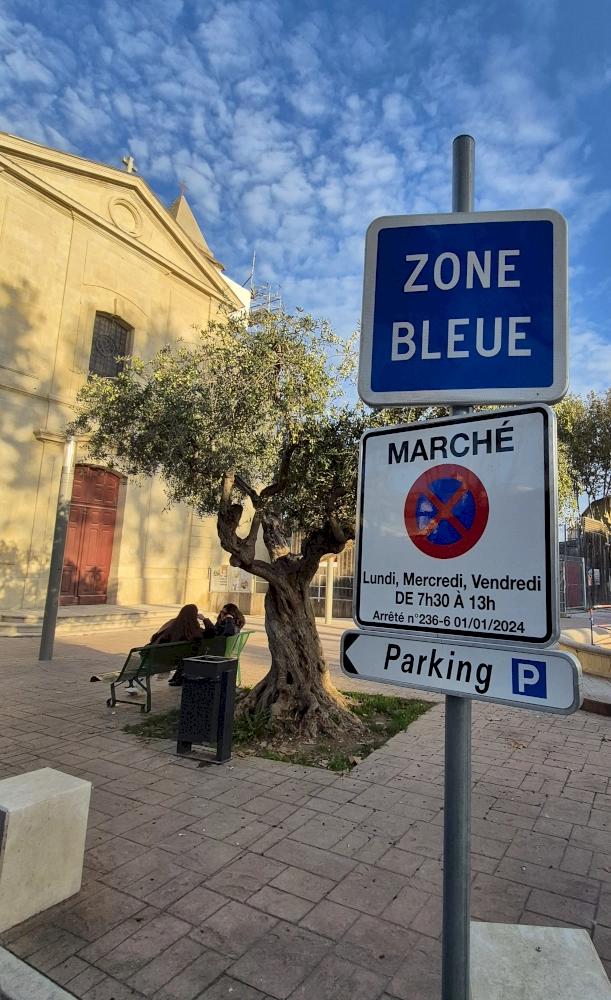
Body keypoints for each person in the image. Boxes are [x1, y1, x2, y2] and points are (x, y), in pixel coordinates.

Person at [125, 604, 205, 694]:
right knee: (151, 661)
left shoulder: (172, 624)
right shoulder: (196, 632)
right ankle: (137, 685)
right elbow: (212, 632)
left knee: (144, 657)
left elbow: (154, 638)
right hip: (173, 663)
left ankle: (137, 685)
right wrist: (205, 619)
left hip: (158, 661)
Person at [167, 603, 245, 687]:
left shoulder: (231, 625)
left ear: (232, 615)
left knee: (191, 652)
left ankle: (180, 677)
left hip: (218, 651)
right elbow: (214, 633)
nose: (222, 615)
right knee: (191, 650)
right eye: (221, 612)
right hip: (217, 648)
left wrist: (207, 620)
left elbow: (226, 633)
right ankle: (178, 677)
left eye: (225, 614)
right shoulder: (224, 624)